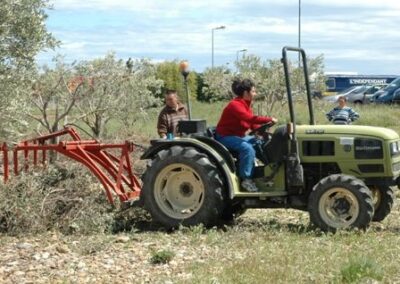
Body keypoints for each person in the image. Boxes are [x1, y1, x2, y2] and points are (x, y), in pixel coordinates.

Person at [215, 79, 278, 192]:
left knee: (259, 142)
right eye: (253, 91)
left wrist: (259, 132)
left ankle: (270, 171)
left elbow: (251, 123)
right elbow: (248, 118)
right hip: (225, 137)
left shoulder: (247, 105)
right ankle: (246, 179)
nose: (255, 93)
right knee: (247, 149)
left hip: (238, 136)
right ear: (246, 93)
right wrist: (269, 119)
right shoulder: (235, 105)